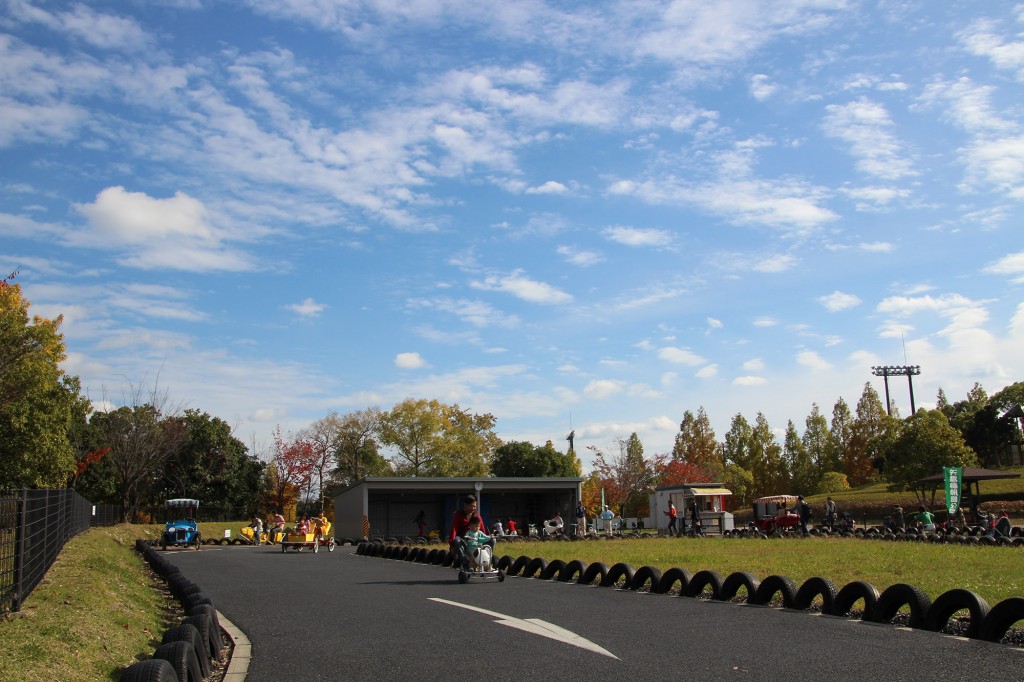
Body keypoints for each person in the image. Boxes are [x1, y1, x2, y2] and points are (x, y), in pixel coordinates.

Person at [449, 495, 489, 569]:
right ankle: (465, 560)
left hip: (476, 540)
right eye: (471, 506)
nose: (474, 508)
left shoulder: (476, 515)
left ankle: (488, 561)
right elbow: (454, 529)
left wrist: (486, 539)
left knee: (492, 540)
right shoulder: (458, 515)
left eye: (475, 506)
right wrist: (452, 545)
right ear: (465, 505)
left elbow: (482, 530)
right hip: (464, 540)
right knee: (457, 540)